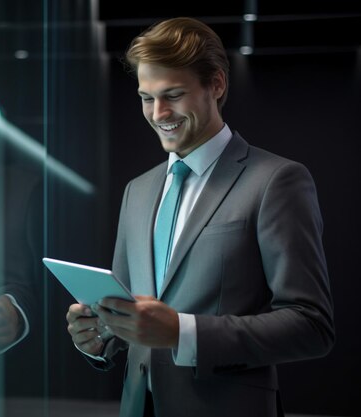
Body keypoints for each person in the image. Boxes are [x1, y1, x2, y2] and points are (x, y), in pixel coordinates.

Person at [66, 17, 334, 417]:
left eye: (173, 94)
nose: (159, 113)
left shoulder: (276, 180)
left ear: (218, 85)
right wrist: (100, 335)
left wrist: (181, 332)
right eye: (146, 97)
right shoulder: (137, 190)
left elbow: (312, 326)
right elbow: (130, 310)